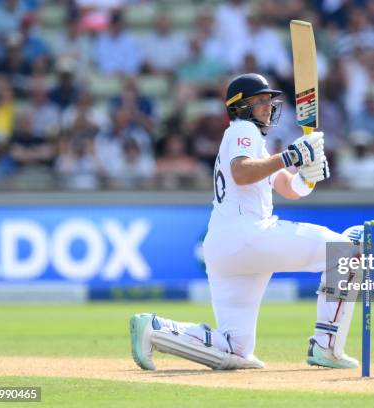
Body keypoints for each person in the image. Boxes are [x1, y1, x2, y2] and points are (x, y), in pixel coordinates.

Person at [129, 73, 360, 371]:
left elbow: (290, 188)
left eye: (269, 101)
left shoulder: (255, 146)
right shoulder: (242, 130)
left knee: (235, 348)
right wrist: (291, 155)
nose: (267, 106)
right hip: (249, 235)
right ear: (240, 107)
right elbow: (242, 172)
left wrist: (308, 175)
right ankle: (327, 346)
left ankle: (155, 328)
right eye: (260, 101)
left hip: (225, 248)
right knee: (345, 251)